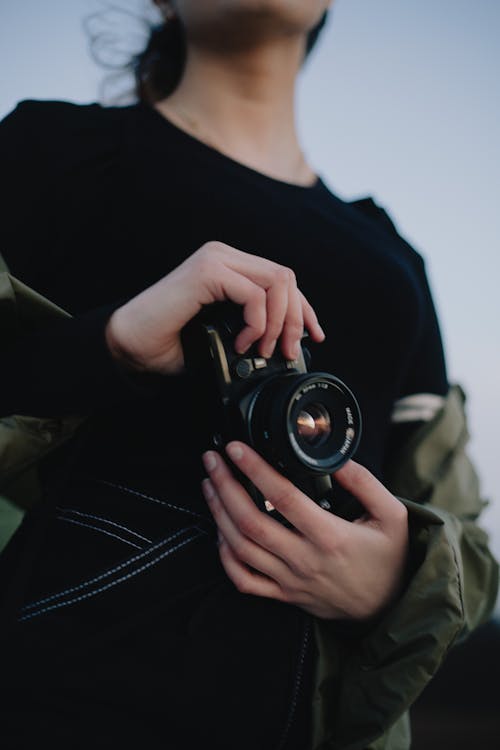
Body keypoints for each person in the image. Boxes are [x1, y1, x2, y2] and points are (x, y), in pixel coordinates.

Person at [0, 2, 497, 748]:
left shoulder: (395, 259)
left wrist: (392, 584)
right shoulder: (52, 149)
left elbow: (463, 537)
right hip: (62, 700)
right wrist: (106, 346)